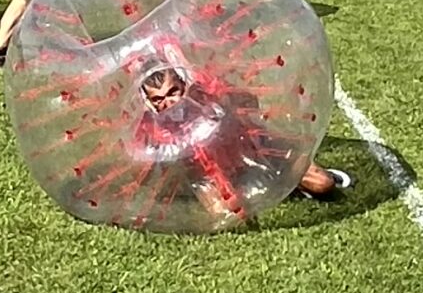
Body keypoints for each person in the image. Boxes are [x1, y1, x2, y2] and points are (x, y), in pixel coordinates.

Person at [137, 62, 352, 214]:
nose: (168, 103)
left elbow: (250, 103)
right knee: (225, 216)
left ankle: (289, 184)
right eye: (158, 99)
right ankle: (268, 188)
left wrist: (224, 106)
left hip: (257, 150)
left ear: (183, 85)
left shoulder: (205, 95)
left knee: (323, 184)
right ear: (149, 103)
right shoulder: (153, 128)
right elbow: (149, 168)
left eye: (172, 92)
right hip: (214, 175)